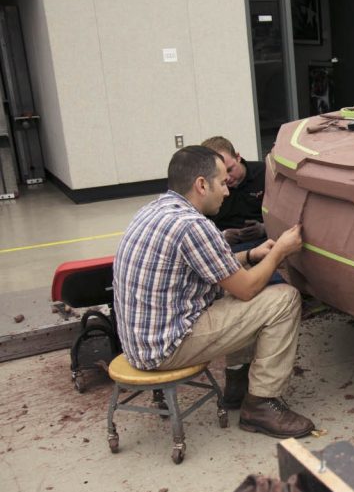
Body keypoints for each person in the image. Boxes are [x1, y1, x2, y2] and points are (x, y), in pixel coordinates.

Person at [112, 145, 314, 438]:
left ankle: (238, 385)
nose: (227, 191)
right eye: (222, 183)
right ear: (201, 185)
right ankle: (261, 405)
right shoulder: (192, 225)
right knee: (283, 299)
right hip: (164, 348)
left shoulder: (156, 209)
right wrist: (280, 251)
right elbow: (247, 288)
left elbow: (212, 266)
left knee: (232, 295)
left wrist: (253, 255)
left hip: (138, 343)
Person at [200, 136, 266, 248]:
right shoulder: (205, 186)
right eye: (219, 175)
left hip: (264, 241)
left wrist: (264, 228)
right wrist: (221, 236)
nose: (227, 178)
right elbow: (199, 227)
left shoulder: (265, 173)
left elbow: (285, 214)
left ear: (238, 157)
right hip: (226, 248)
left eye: (230, 170)